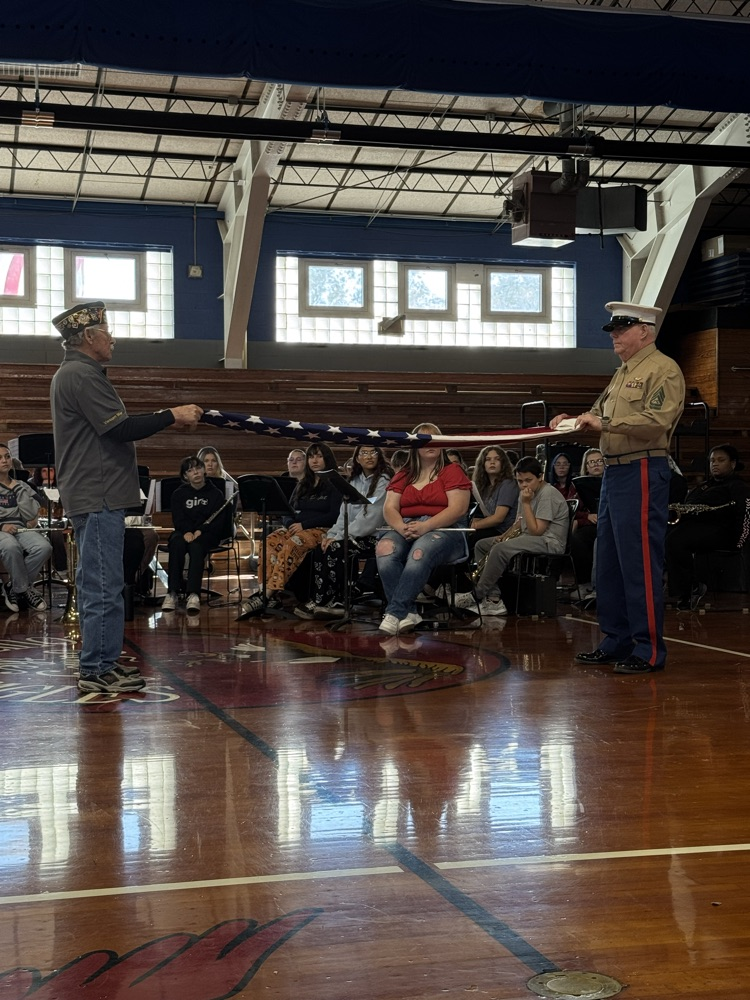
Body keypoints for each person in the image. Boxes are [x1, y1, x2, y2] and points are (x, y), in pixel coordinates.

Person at [50, 301, 203, 694]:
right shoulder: (81, 375)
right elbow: (119, 429)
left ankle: (103, 662)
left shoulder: (79, 372)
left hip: (97, 492)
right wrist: (172, 414)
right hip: (97, 493)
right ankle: (96, 668)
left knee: (105, 581)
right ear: (88, 337)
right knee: (103, 583)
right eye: (106, 331)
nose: (112, 338)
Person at [551, 300, 685, 674]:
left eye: (621, 330)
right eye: (613, 331)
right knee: (608, 560)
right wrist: (568, 423)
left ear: (644, 330)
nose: (615, 337)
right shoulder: (622, 373)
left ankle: (648, 649)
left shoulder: (663, 370)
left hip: (642, 468)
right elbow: (596, 417)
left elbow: (655, 421)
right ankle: (615, 640)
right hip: (614, 472)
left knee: (638, 561)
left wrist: (601, 424)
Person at [376, 423, 471, 635]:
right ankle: (408, 612)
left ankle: (394, 612)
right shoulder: (404, 474)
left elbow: (459, 509)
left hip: (446, 529)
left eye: (436, 439)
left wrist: (426, 526)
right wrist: (401, 527)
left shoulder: (452, 470)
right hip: (407, 525)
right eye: (424, 439)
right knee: (384, 548)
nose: (431, 443)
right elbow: (389, 508)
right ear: (414, 446)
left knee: (420, 551)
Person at [456, 457, 569, 617]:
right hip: (528, 536)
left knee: (500, 549)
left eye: (528, 480)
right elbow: (519, 522)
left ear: (540, 477)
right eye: (520, 481)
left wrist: (526, 503)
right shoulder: (526, 493)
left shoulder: (547, 494)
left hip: (548, 541)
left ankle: (478, 594)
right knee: (482, 544)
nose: (523, 485)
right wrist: (505, 535)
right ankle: (493, 599)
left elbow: (537, 530)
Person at [238, 443, 341, 618]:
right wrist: (290, 524)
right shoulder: (303, 484)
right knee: (270, 540)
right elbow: (287, 510)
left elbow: (334, 515)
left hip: (322, 530)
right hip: (296, 528)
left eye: (319, 456)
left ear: (327, 459)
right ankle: (269, 594)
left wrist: (304, 526)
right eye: (311, 456)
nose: (314, 460)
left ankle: (265, 596)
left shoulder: (334, 483)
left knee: (294, 543)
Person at [295, 444, 392, 619]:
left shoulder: (384, 481)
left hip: (376, 536)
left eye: (373, 452)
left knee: (336, 548)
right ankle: (324, 599)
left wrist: (340, 537)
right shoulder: (354, 481)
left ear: (379, 456)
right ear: (357, 458)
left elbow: (371, 519)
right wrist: (331, 535)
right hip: (353, 534)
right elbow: (344, 514)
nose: (369, 456)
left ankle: (333, 602)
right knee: (321, 548)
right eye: (364, 453)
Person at [666, 444, 750, 610]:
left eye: (720, 460)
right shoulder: (703, 486)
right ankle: (680, 585)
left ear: (732, 464)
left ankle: (690, 589)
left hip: (722, 532)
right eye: (712, 460)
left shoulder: (738, 487)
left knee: (676, 540)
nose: (715, 464)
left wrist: (740, 542)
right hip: (697, 529)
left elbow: (745, 515)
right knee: (665, 536)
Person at [162, 456, 228, 614]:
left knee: (196, 547)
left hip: (207, 534)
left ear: (204, 470)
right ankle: (172, 593)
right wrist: (187, 531)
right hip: (184, 532)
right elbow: (178, 518)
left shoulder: (216, 494)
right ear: (185, 476)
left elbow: (218, 521)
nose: (195, 472)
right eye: (190, 470)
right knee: (176, 543)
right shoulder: (179, 494)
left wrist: (200, 531)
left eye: (198, 468)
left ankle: (194, 595)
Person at [0, 442, 53, 612]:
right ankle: (25, 589)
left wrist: (17, 489)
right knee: (10, 547)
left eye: (7, 456)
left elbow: (30, 515)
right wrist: (1, 526)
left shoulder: (22, 486)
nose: (4, 461)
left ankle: (15, 587)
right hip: (1, 530)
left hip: (21, 528)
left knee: (44, 547)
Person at [570, 447, 605, 589]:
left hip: (611, 523)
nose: (596, 464)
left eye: (599, 461)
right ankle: (584, 584)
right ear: (586, 466)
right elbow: (570, 510)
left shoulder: (614, 482)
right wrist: (587, 516)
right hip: (590, 524)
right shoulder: (579, 485)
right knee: (576, 540)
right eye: (591, 462)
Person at [469, 445, 519, 544]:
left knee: (471, 537)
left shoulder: (508, 484)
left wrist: (474, 526)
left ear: (503, 463)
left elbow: (498, 518)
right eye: (488, 459)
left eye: (497, 459)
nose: (492, 462)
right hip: (489, 527)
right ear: (483, 464)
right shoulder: (483, 486)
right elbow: (479, 514)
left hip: (503, 530)